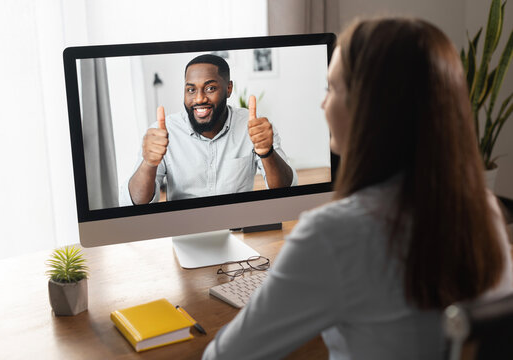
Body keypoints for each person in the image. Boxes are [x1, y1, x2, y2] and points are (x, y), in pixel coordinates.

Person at [202, 18, 513, 359]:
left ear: (369, 107)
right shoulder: (485, 209)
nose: (323, 105)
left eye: (332, 89)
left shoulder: (334, 234)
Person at [124, 54, 296, 204]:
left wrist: (267, 153)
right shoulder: (163, 133)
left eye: (210, 88)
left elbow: (287, 190)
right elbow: (136, 202)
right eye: (191, 89)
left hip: (239, 228)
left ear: (229, 89)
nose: (199, 98)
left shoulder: (254, 127)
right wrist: (148, 163)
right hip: (184, 230)